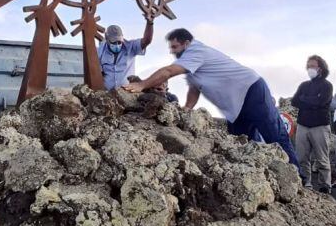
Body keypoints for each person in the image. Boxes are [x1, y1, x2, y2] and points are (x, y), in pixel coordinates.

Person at [123, 29, 299, 166]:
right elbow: (194, 88)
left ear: (186, 43)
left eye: (175, 47)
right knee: (240, 145)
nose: (173, 52)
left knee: (274, 135)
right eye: (171, 48)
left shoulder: (195, 51)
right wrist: (186, 109)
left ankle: (297, 178)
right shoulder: (192, 62)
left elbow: (168, 71)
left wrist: (142, 84)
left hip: (251, 91)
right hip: (234, 106)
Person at [291, 55, 334, 192]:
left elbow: (322, 102)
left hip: (320, 126)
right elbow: (294, 101)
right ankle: (306, 183)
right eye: (308, 66)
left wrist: (305, 100)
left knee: (322, 158)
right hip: (303, 125)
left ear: (320, 68)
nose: (310, 68)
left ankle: (325, 185)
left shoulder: (327, 85)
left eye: (313, 66)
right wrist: (312, 100)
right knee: (302, 158)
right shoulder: (304, 85)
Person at [98, 20, 154, 89]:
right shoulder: (100, 50)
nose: (117, 45)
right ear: (107, 39)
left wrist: (150, 23)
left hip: (127, 92)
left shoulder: (131, 47)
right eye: (114, 42)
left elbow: (146, 41)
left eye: (119, 42)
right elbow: (99, 72)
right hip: (108, 93)